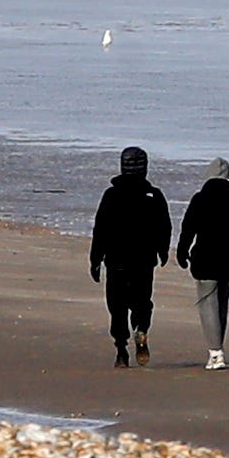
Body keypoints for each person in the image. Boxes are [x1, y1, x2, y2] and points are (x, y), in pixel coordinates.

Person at [88, 145, 171, 367]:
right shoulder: (154, 195)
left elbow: (100, 229)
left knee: (117, 306)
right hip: (143, 261)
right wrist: (163, 251)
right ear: (145, 168)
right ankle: (141, 328)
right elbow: (164, 227)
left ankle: (121, 349)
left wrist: (95, 260)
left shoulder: (111, 195)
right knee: (142, 302)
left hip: (116, 261)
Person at [177, 158, 229, 369]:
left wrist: (181, 252)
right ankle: (217, 350)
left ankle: (216, 353)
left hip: (204, 260)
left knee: (208, 304)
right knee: (221, 305)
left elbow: (188, 228)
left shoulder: (199, 199)